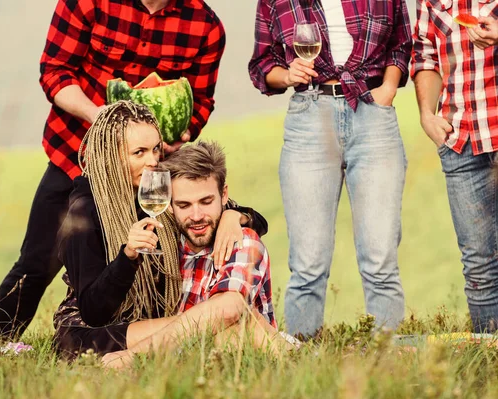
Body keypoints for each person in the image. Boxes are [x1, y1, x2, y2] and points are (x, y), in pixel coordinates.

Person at [0, 0, 226, 338]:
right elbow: (55, 72)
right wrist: (97, 116)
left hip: (148, 171)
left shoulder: (205, 25)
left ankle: (153, 332)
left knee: (153, 261)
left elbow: (200, 101)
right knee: (36, 263)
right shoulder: (88, 2)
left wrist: (170, 140)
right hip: (74, 153)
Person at [53, 101, 269, 359]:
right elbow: (94, 312)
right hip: (92, 330)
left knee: (206, 326)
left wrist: (236, 216)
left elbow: (247, 218)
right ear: (111, 154)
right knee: (211, 325)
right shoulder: (85, 211)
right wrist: (128, 258)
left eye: (156, 149)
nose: (153, 161)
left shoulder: (155, 186)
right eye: (139, 152)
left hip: (148, 318)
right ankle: (284, 348)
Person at [248, 0, 412, 337]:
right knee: (308, 264)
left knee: (380, 259)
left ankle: (387, 361)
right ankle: (302, 360)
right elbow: (262, 64)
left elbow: (401, 42)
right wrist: (287, 74)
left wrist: (389, 89)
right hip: (310, 115)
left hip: (373, 112)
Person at [101, 141, 298, 369]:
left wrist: (135, 356)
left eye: (206, 202)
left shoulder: (241, 239)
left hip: (258, 359)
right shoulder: (166, 244)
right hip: (196, 361)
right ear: (169, 204)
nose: (196, 216)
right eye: (184, 205)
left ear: (224, 195)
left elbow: (230, 307)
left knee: (232, 327)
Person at [411, 2, 498, 332]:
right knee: (480, 267)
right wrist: (426, 115)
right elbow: (425, 55)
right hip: (462, 140)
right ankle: (489, 365)